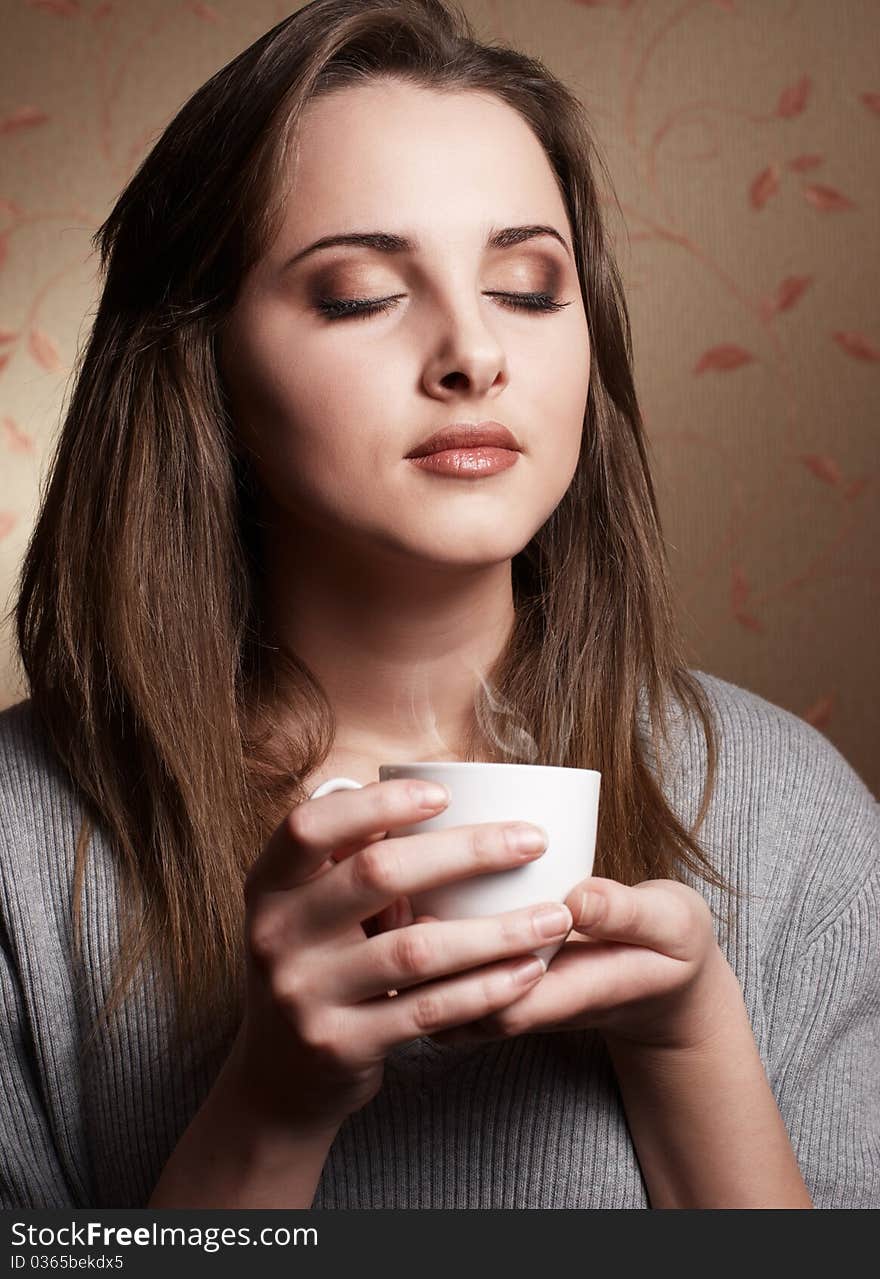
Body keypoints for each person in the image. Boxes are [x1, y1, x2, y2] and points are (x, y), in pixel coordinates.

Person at [0, 0, 877, 1211]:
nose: (474, 352)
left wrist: (688, 1047)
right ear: (202, 368)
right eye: (359, 293)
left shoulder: (791, 813)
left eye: (526, 286)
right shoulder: (19, 839)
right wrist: (270, 1106)